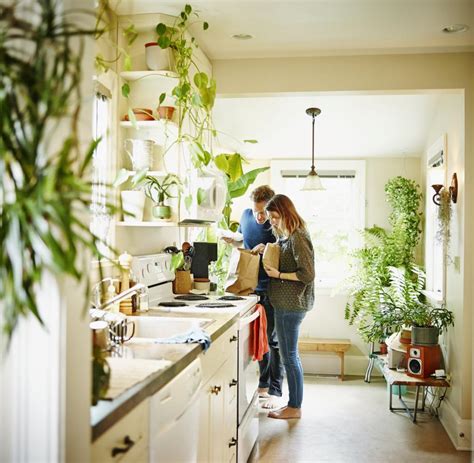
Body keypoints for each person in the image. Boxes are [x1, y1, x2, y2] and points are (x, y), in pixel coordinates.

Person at [223, 185, 284, 408]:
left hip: (271, 288)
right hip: (249, 287)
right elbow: (243, 238)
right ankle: (263, 383)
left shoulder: (277, 223)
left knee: (272, 340)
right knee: (258, 340)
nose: (259, 217)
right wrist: (234, 240)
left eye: (263, 212)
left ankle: (274, 389)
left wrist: (267, 247)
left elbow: (285, 247)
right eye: (256, 211)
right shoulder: (246, 216)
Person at [263, 194, 315, 419]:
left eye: (275, 217)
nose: (272, 221)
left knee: (289, 357)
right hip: (286, 304)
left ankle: (294, 407)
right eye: (270, 217)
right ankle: (293, 404)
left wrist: (279, 274)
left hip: (290, 306)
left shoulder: (298, 237)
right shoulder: (289, 235)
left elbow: (307, 274)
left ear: (286, 213)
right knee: (290, 356)